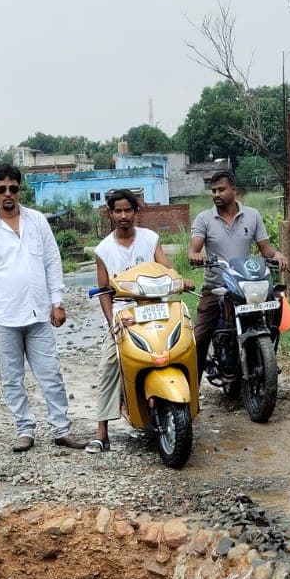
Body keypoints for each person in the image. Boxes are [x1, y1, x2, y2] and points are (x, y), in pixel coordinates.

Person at [0, 163, 88, 453]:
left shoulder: (37, 222)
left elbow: (52, 261)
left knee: (51, 374)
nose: (8, 194)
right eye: (1, 189)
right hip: (4, 317)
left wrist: (57, 302)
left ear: (19, 189)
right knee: (12, 378)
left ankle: (62, 429)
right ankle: (24, 430)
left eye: (13, 188)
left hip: (38, 314)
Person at [187, 169, 288, 380]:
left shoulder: (252, 215)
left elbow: (266, 250)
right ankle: (192, 392)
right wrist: (195, 255)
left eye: (221, 189)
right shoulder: (204, 218)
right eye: (213, 191)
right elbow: (194, 248)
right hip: (217, 287)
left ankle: (264, 360)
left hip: (246, 285)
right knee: (199, 339)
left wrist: (277, 255)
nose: (216, 194)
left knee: (272, 317)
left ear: (233, 189)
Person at [91, 188, 167, 451]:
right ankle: (102, 432)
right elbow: (103, 291)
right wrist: (112, 321)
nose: (123, 215)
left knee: (178, 344)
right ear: (110, 214)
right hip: (123, 314)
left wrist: (179, 279)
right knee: (109, 364)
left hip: (154, 308)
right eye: (118, 211)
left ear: (136, 212)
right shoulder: (103, 249)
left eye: (127, 210)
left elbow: (166, 269)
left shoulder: (150, 239)